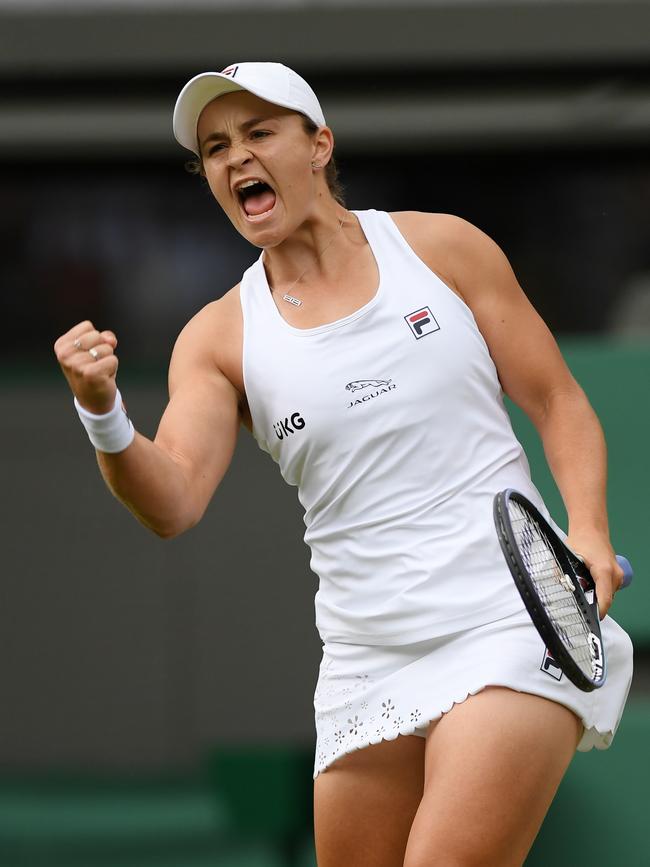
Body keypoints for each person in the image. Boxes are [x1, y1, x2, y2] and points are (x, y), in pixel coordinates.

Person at [54, 62, 633, 867]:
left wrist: (591, 531)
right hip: (367, 652)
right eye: (215, 147)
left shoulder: (443, 247)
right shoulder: (219, 337)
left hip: (511, 619)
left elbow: (559, 402)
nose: (234, 158)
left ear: (319, 144)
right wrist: (102, 411)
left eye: (258, 133)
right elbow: (173, 500)